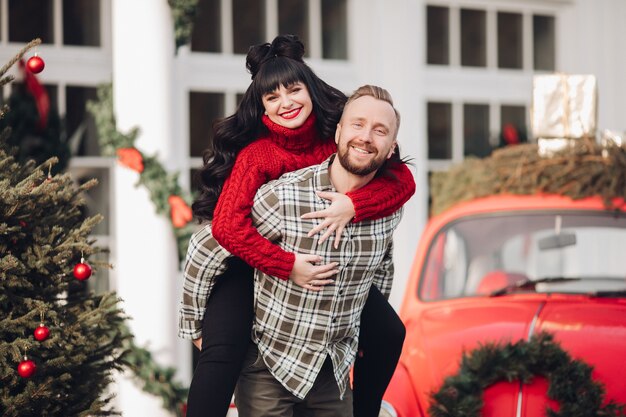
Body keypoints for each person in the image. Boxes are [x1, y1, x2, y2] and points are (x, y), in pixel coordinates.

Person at [179, 35, 415, 417]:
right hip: (248, 259)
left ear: (311, 90)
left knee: (389, 332)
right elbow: (224, 229)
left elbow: (404, 182)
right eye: (273, 97)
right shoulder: (259, 155)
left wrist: (353, 205)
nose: (286, 102)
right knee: (223, 348)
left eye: (294, 90)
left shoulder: (339, 137)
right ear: (262, 108)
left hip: (324, 260)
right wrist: (287, 265)